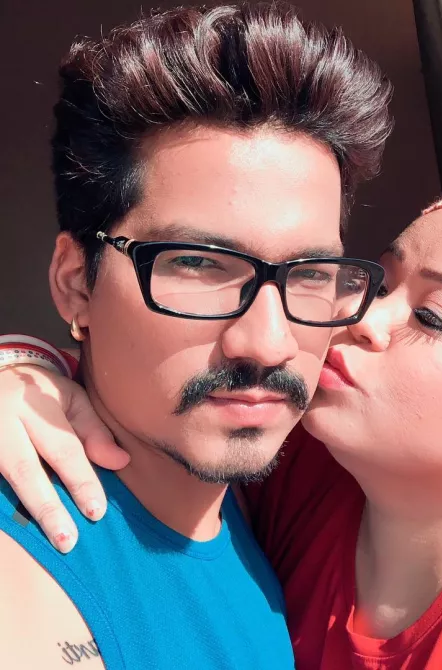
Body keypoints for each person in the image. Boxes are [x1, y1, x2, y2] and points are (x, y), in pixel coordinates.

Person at [3, 184, 442, 669]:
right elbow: (134, 390)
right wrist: (23, 367)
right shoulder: (298, 457)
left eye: (433, 318)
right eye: (380, 284)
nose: (364, 319)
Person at [0, 4, 392, 669]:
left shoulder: (285, 502)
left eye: (310, 273)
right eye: (198, 264)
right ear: (75, 283)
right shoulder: (29, 565)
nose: (267, 345)